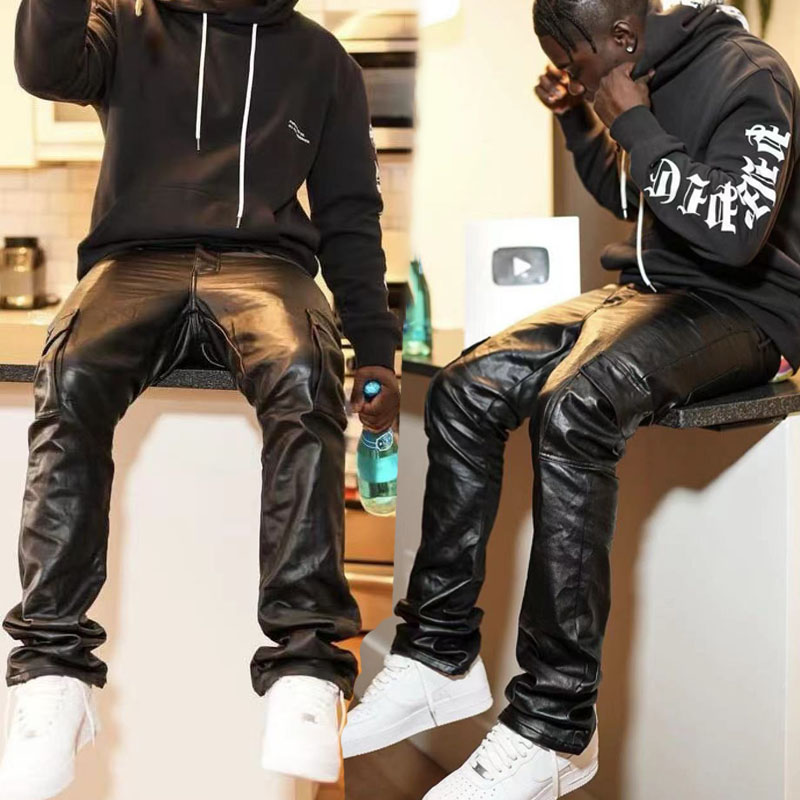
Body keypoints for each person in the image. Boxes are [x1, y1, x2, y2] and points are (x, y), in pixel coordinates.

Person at [343, 0, 800, 797]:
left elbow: (734, 231)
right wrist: (583, 121)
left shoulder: (751, 73)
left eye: (576, 63)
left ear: (621, 37)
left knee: (576, 403)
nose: (575, 77)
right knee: (466, 387)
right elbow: (633, 196)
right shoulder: (646, 73)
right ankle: (437, 654)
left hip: (747, 312)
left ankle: (556, 726)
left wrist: (633, 121)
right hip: (650, 294)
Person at [0, 0, 401, 796]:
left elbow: (351, 214)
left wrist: (376, 347)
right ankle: (51, 675)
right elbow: (44, 68)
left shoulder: (323, 60)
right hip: (132, 259)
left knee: (301, 370)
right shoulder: (124, 21)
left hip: (266, 266)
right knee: (72, 373)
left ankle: (306, 667)